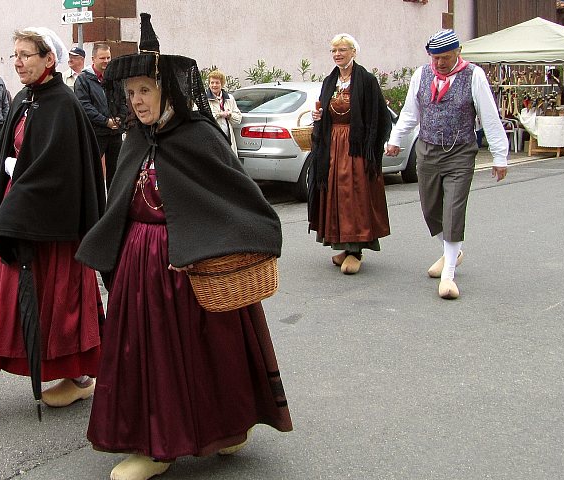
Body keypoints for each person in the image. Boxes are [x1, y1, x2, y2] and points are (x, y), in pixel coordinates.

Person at [74, 13, 292, 480]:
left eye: (145, 91)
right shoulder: (135, 138)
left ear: (166, 89)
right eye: (130, 94)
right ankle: (158, 446)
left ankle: (230, 425)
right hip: (140, 264)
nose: (136, 101)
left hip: (192, 265)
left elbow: (236, 196)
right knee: (147, 354)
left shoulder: (199, 137)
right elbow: (120, 200)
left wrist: (219, 243)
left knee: (215, 350)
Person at [0, 27, 106, 418]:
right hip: (20, 216)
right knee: (4, 299)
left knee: (58, 307)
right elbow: (3, 157)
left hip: (52, 227)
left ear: (49, 59)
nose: (18, 62)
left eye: (26, 54)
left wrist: (20, 175)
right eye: (15, 55)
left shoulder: (64, 104)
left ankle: (78, 379)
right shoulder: (24, 99)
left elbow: (64, 172)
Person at [385, 29, 508, 300]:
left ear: (458, 52)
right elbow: (410, 112)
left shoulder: (473, 75)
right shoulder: (421, 75)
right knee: (430, 209)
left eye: (446, 57)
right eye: (436, 57)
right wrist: (396, 139)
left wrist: (500, 156)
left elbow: (489, 117)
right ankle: (452, 251)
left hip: (460, 152)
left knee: (453, 208)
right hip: (427, 149)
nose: (440, 63)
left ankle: (449, 274)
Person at [307, 33, 392, 275]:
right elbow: (325, 109)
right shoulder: (329, 81)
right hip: (332, 144)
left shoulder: (366, 80)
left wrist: (370, 147)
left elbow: (380, 116)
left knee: (353, 196)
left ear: (353, 52)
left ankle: (356, 249)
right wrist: (319, 118)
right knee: (335, 194)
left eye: (342, 50)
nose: (337, 54)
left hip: (356, 146)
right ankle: (344, 245)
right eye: (334, 51)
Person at [74, 43, 126, 188]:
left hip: (115, 133)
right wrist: (105, 121)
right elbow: (84, 106)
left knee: (115, 173)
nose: (106, 61)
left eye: (108, 57)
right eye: (102, 58)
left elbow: (123, 101)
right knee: (93, 171)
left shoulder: (114, 78)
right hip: (96, 133)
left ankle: (113, 205)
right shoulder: (83, 79)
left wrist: (119, 118)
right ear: (93, 59)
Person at [206, 69, 242, 154]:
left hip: (227, 139)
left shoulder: (230, 98)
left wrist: (229, 115)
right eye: (212, 83)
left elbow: (238, 119)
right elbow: (202, 118)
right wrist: (219, 114)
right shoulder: (204, 99)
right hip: (211, 138)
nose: (214, 85)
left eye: (217, 83)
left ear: (222, 84)